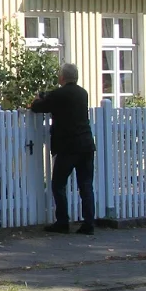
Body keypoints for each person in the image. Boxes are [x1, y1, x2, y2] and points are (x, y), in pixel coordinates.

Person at [29, 63, 96, 235]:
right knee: (86, 185)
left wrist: (37, 99)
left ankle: (62, 221)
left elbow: (39, 107)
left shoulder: (59, 94)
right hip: (86, 144)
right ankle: (89, 223)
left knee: (58, 184)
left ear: (62, 77)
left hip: (68, 146)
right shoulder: (83, 93)